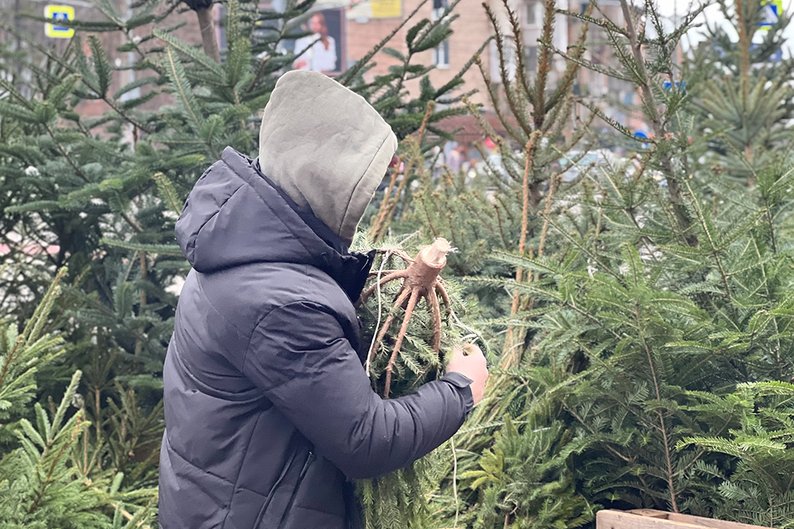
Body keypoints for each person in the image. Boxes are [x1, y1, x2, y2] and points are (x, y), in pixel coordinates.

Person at [158, 70, 489, 529]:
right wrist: (461, 389)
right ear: (330, 181)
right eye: (364, 185)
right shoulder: (281, 304)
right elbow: (364, 440)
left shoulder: (238, 249)